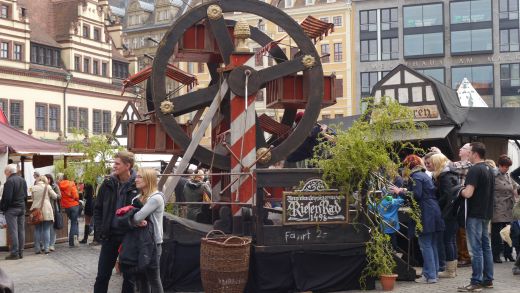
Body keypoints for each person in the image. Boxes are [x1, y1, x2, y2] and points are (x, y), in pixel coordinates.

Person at [392, 155, 444, 284]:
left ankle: (430, 275)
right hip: (433, 209)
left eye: (405, 165)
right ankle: (433, 272)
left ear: (409, 165)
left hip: (425, 212)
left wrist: (400, 192)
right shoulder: (424, 175)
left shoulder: (415, 177)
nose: (404, 168)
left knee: (425, 244)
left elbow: (416, 195)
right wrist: (405, 189)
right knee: (431, 244)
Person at [93, 150, 138, 293]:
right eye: (114, 163)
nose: (114, 166)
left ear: (128, 165)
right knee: (102, 276)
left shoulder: (138, 185)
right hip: (110, 235)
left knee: (129, 277)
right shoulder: (107, 183)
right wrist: (100, 230)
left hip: (129, 236)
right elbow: (98, 208)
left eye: (117, 163)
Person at [457, 142, 495, 292]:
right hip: (486, 213)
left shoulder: (474, 170)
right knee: (486, 247)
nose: (469, 154)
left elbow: (468, 193)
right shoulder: (490, 169)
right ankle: (488, 280)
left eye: (470, 152)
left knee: (475, 249)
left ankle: (476, 282)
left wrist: (459, 190)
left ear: (475, 154)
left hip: (474, 214)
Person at [132, 168, 165, 293]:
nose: (136, 179)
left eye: (139, 177)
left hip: (153, 244)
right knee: (142, 279)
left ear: (148, 179)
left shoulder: (155, 198)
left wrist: (132, 217)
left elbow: (136, 217)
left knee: (153, 279)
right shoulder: (139, 197)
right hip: (141, 241)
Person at [430, 153, 460, 278]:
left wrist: (437, 204)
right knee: (451, 240)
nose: (430, 164)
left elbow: (447, 195)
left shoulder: (444, 176)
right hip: (453, 212)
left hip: (448, 212)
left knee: (448, 240)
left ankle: (450, 271)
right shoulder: (452, 173)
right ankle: (452, 269)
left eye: (432, 162)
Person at [491, 155, 518, 263]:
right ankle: (496, 255)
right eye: (505, 166)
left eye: (508, 167)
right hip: (497, 207)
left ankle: (508, 254)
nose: (507, 169)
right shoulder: (493, 175)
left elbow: (515, 187)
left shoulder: (508, 175)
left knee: (509, 232)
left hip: (508, 207)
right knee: (497, 233)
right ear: (500, 165)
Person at [0, 164, 28, 260]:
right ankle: (21, 252)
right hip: (21, 208)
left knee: (13, 231)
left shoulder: (9, 182)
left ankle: (14, 253)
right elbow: (25, 195)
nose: (5, 174)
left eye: (5, 172)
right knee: (21, 231)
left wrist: (3, 208)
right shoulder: (22, 180)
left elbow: (7, 198)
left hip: (12, 209)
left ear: (9, 172)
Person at [452, 143, 473, 268]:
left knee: (461, 229)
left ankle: (465, 256)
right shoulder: (458, 164)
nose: (459, 149)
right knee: (458, 230)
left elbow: (450, 166)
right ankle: (461, 255)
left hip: (463, 199)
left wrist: (439, 154)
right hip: (457, 199)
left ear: (469, 152)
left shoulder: (468, 165)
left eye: (463, 148)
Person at [31, 175, 58, 254]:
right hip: (46, 209)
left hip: (36, 210)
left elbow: (33, 199)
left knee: (37, 229)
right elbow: (55, 196)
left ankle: (37, 249)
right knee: (46, 229)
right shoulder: (47, 187)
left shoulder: (34, 187)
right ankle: (46, 249)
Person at [59, 174, 80, 247]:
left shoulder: (59, 185)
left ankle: (76, 239)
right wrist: (77, 201)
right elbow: (76, 196)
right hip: (74, 205)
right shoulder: (71, 184)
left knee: (74, 222)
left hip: (66, 206)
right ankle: (72, 242)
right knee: (74, 223)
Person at [45, 174, 61, 251]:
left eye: (48, 179)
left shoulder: (55, 186)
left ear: (51, 179)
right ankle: (46, 244)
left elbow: (59, 196)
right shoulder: (42, 186)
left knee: (52, 228)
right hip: (45, 209)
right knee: (45, 228)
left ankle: (52, 244)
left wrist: (51, 195)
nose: (47, 180)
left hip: (53, 208)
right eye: (46, 179)